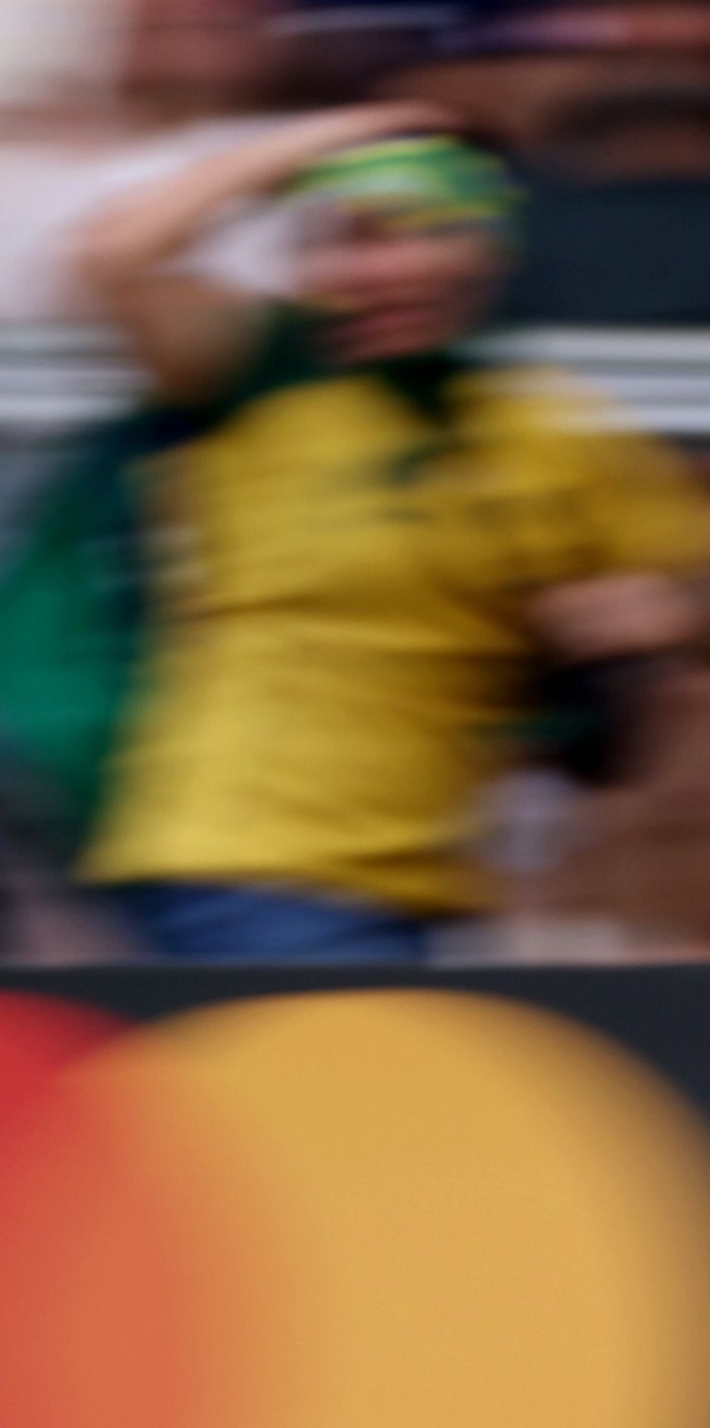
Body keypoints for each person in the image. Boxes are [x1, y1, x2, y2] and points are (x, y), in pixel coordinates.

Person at [66, 103, 710, 959]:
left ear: (483, 251)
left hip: (426, 889)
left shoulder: (549, 434)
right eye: (341, 239)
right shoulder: (252, 380)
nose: (376, 268)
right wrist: (335, 134)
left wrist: (666, 607)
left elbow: (682, 569)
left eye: (412, 233)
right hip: (245, 863)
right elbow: (112, 255)